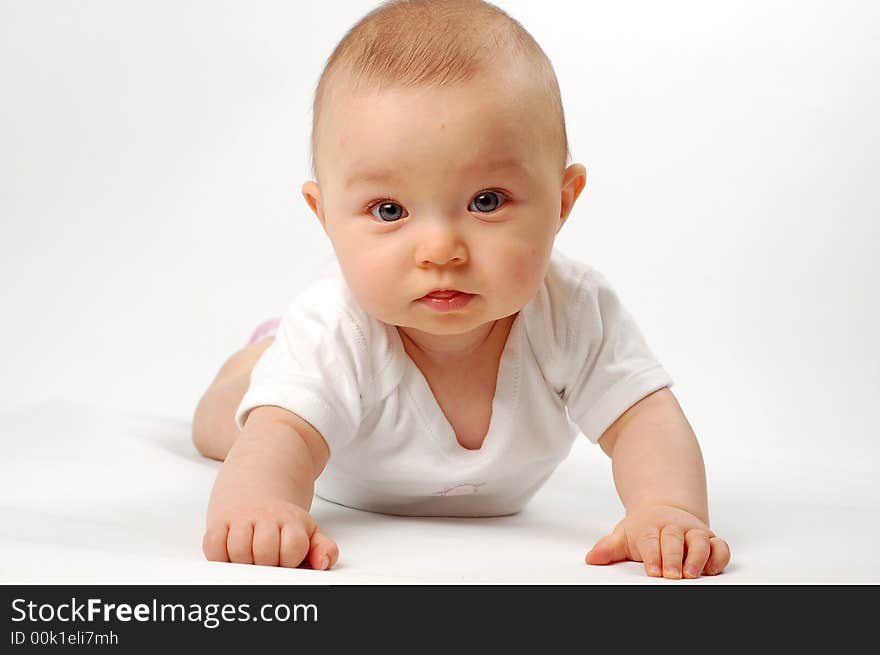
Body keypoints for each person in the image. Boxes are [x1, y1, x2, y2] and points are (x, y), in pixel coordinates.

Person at [192, 0, 731, 580]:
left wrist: (666, 509)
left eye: (487, 201)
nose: (441, 250)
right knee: (228, 423)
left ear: (561, 202)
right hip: (326, 403)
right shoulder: (336, 327)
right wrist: (262, 507)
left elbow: (643, 418)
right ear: (325, 216)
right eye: (389, 209)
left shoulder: (572, 310)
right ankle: (263, 357)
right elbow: (282, 440)